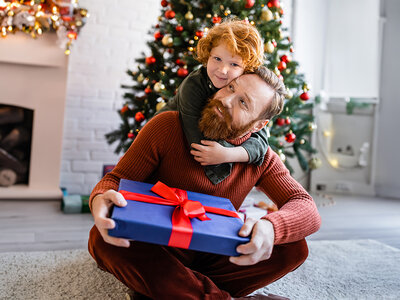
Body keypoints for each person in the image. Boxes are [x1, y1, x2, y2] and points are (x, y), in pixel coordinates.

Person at [88, 66, 321, 300]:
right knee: (103, 239)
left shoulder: (262, 158)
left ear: (259, 125)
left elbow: (305, 205)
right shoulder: (167, 126)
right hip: (157, 245)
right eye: (230, 87)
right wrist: (100, 197)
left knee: (293, 248)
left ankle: (171, 289)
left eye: (243, 103)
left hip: (214, 249)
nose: (226, 100)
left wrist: (272, 226)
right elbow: (115, 179)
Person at [156, 18, 268, 185]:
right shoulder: (193, 85)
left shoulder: (245, 91)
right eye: (217, 59)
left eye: (234, 64)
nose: (222, 70)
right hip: (162, 141)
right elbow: (200, 146)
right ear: (208, 55)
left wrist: (229, 154)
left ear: (247, 69)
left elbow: (261, 143)